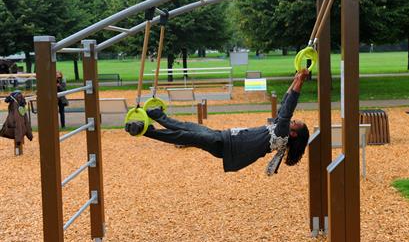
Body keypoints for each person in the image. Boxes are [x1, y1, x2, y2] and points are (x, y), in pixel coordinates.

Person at [126, 69, 310, 175]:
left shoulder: (281, 135)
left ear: (293, 133)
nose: (292, 121)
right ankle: (157, 115)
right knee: (188, 127)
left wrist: (300, 82)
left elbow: (288, 110)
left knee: (186, 136)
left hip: (227, 146)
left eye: (295, 123)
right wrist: (295, 80)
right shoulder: (279, 130)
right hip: (224, 137)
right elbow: (285, 104)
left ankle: (146, 130)